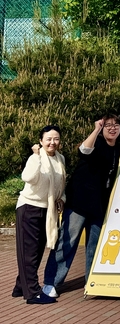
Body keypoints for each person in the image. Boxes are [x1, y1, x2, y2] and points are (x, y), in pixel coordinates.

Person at [43, 115, 120, 299]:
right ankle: (51, 283)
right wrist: (95, 130)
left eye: (116, 125)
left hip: (100, 205)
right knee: (67, 242)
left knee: (94, 246)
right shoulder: (96, 142)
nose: (112, 128)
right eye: (108, 125)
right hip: (79, 202)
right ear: (102, 128)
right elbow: (84, 150)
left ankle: (92, 282)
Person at [14, 126, 66, 304]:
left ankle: (21, 286)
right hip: (30, 207)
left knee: (36, 251)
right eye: (49, 139)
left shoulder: (60, 159)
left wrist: (62, 198)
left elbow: (61, 184)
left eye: (56, 138)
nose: (53, 142)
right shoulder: (35, 158)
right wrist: (36, 156)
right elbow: (27, 177)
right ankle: (33, 293)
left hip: (48, 209)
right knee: (29, 252)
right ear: (41, 141)